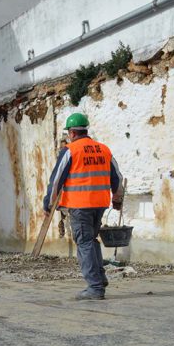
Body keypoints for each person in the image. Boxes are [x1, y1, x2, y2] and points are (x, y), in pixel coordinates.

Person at [43, 113, 124, 300]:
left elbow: (56, 180)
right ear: (85, 130)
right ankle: (100, 278)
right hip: (100, 203)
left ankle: (94, 287)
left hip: (80, 205)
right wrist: (117, 199)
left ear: (71, 133)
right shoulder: (104, 149)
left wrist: (49, 202)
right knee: (91, 239)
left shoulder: (70, 150)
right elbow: (117, 177)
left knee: (84, 242)